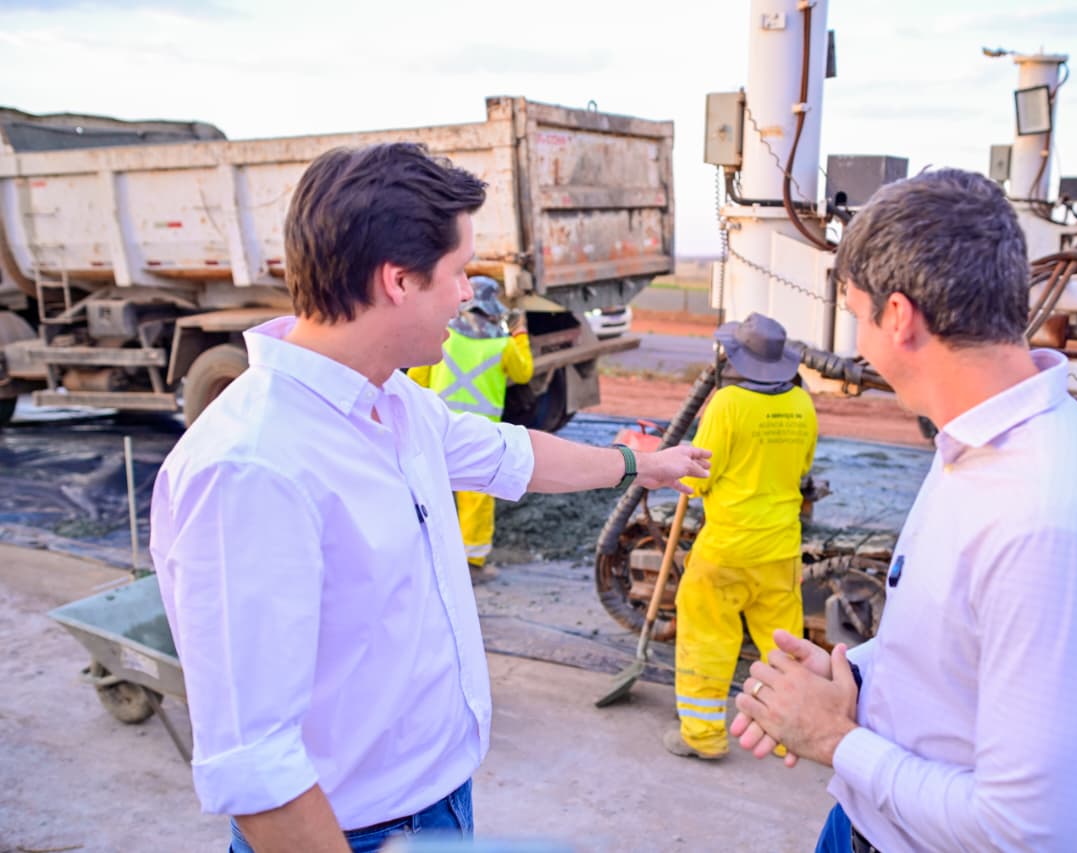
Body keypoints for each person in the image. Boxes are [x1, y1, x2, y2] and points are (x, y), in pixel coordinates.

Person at [148, 142, 710, 853]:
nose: (467, 294)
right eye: (458, 271)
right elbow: (258, 772)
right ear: (397, 281)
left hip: (435, 807)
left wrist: (638, 463)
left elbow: (511, 454)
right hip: (353, 834)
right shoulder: (252, 468)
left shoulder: (394, 401)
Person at [729, 169, 1077, 852]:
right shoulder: (976, 441)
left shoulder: (1049, 521)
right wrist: (852, 674)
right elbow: (956, 645)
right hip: (869, 820)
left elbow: (1035, 835)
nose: (858, 345)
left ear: (899, 317)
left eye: (858, 314)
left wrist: (835, 739)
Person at [664, 311, 817, 760]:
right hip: (781, 549)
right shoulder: (803, 404)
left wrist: (686, 478)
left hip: (726, 550)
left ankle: (703, 736)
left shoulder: (727, 404)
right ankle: (789, 735)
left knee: (707, 639)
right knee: (783, 649)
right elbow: (803, 468)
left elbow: (697, 475)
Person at [407, 275, 532, 575]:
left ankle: (423, 555)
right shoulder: (502, 344)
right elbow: (524, 373)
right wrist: (520, 335)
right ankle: (472, 561)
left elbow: (415, 379)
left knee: (428, 489)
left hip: (436, 426)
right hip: (481, 431)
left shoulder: (444, 336)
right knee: (476, 496)